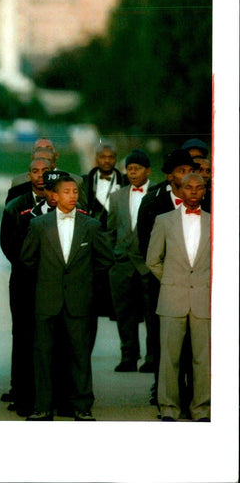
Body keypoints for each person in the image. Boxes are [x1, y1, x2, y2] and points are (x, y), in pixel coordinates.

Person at [20, 174, 113, 421]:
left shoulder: (91, 226)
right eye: (67, 192)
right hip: (46, 301)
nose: (72, 196)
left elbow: (106, 259)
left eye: (75, 192)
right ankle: (42, 407)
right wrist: (45, 282)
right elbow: (27, 260)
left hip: (79, 301)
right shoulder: (38, 225)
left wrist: (84, 281)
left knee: (80, 356)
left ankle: (82, 406)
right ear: (54, 195)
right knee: (43, 356)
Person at [146, 173, 211, 422]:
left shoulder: (214, 221)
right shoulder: (164, 221)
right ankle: (168, 408)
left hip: (203, 298)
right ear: (179, 190)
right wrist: (172, 280)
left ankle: (201, 409)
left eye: (199, 187)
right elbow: (152, 260)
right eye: (188, 187)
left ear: (204, 191)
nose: (193, 192)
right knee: (169, 358)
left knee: (203, 359)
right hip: (172, 297)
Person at [136, 149, 198, 405]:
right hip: (163, 284)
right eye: (181, 171)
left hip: (196, 286)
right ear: (170, 176)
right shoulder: (152, 202)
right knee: (163, 340)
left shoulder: (203, 201)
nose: (187, 176)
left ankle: (192, 392)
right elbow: (146, 247)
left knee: (193, 342)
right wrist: (169, 278)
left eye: (190, 170)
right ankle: (164, 390)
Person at [0, 156, 52, 415]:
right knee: (23, 338)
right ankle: (21, 395)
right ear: (28, 175)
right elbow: (7, 245)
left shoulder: (63, 202)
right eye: (35, 171)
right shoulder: (15, 206)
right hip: (23, 282)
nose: (40, 176)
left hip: (54, 283)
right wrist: (28, 268)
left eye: (45, 171)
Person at [106, 149, 154, 372]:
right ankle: (128, 356)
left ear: (148, 171)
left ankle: (152, 357)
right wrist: (114, 254)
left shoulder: (157, 194)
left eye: (137, 169)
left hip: (148, 265)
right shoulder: (116, 197)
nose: (133, 173)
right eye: (129, 169)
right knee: (124, 313)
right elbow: (110, 229)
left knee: (152, 313)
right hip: (122, 263)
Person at [80, 143, 127, 230]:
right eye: (102, 157)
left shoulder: (126, 182)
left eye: (111, 157)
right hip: (93, 233)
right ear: (96, 159)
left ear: (116, 159)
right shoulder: (83, 182)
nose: (107, 161)